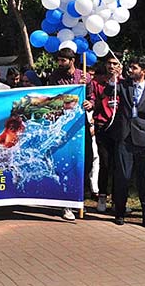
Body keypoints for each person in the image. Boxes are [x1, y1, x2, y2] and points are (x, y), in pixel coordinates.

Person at [106, 57, 145, 230]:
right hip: (124, 138)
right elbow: (109, 91)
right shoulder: (123, 86)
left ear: (143, 72)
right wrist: (114, 78)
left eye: (134, 68)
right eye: (129, 67)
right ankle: (120, 212)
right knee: (122, 176)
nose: (131, 70)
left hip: (144, 139)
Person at [48, 48, 91, 221]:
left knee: (85, 161)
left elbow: (93, 96)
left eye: (63, 61)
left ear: (72, 60)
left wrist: (89, 100)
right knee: (64, 162)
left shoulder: (85, 76)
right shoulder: (55, 77)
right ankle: (66, 204)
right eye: (58, 60)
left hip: (80, 126)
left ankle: (80, 198)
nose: (60, 64)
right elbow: (51, 99)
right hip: (62, 126)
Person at [84, 54, 123, 212]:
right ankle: (102, 196)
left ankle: (117, 199)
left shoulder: (126, 83)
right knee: (105, 163)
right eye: (109, 64)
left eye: (115, 63)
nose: (112, 67)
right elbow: (93, 100)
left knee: (118, 165)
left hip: (121, 128)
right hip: (103, 126)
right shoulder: (96, 83)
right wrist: (90, 104)